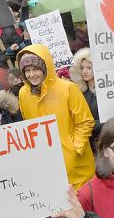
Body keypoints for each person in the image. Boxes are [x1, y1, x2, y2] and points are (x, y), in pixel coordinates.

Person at [17, 44, 96, 188]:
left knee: (84, 207)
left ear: (45, 67)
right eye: (27, 71)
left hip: (77, 166)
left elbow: (85, 122)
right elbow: (28, 125)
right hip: (47, 165)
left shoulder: (68, 88)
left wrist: (75, 149)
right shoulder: (23, 93)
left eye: (36, 69)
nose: (32, 74)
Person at [68, 48, 101, 146]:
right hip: (88, 142)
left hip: (105, 137)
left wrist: (89, 125)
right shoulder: (80, 91)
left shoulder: (106, 92)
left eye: (89, 68)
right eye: (82, 68)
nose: (84, 71)